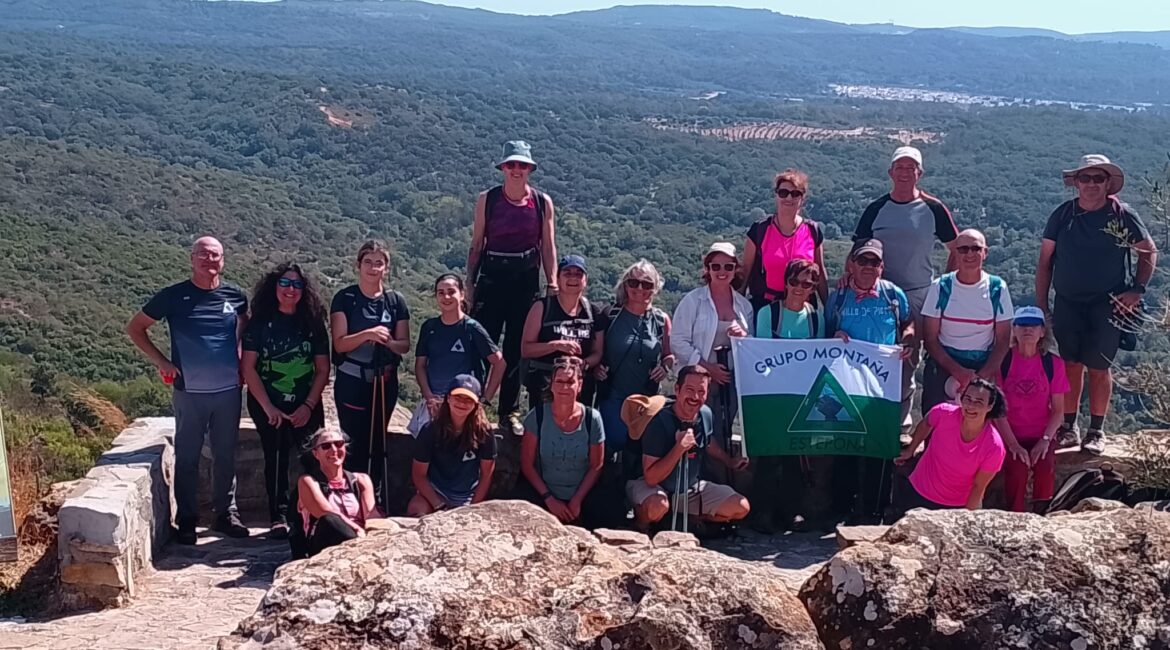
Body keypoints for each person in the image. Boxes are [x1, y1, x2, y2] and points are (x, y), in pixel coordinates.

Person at [126, 236, 249, 544]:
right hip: (189, 391)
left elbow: (245, 325)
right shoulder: (173, 296)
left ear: (223, 260)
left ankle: (226, 515)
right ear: (192, 259)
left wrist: (240, 356)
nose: (210, 260)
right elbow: (135, 328)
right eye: (203, 255)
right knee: (187, 457)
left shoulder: (235, 296)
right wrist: (161, 361)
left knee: (225, 455)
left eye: (215, 255)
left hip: (228, 390)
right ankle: (187, 520)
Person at [1036, 154, 1157, 455]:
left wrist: (1137, 289)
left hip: (1109, 305)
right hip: (1068, 303)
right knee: (1070, 365)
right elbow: (1045, 263)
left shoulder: (1122, 215)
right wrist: (1042, 307)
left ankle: (1096, 430)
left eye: (1098, 178)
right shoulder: (1063, 215)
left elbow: (1148, 251)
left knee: (1100, 367)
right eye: (1085, 178)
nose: (1091, 184)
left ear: (1107, 183)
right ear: (1076, 182)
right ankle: (1069, 427)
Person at [853, 146, 960, 427]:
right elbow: (857, 251)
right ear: (890, 172)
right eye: (899, 167)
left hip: (917, 295)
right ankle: (870, 420)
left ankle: (901, 424)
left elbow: (957, 248)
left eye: (910, 168)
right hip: (878, 295)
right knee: (874, 358)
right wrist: (849, 283)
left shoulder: (934, 209)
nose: (904, 173)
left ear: (919, 173)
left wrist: (945, 284)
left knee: (908, 360)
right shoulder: (876, 209)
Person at [467, 140, 558, 435]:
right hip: (492, 276)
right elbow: (477, 244)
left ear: (530, 169)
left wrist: (553, 282)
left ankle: (509, 412)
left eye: (522, 165)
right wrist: (469, 283)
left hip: (525, 279)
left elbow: (548, 246)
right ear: (503, 168)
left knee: (517, 349)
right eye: (511, 164)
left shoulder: (542, 203)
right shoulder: (488, 199)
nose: (516, 170)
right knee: (484, 344)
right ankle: (473, 405)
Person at [825, 239, 914, 523]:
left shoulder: (893, 294)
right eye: (862, 261)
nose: (867, 266)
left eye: (873, 262)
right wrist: (834, 336)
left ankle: (874, 510)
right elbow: (825, 332)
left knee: (879, 446)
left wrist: (908, 339)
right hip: (846, 382)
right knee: (845, 445)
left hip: (882, 383)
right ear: (851, 264)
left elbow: (908, 322)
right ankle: (841, 508)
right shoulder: (838, 297)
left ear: (881, 267)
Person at [241, 262, 330, 539]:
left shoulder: (312, 323)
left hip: (306, 402)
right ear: (274, 287)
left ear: (304, 290)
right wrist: (269, 407)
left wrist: (308, 406)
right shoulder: (260, 322)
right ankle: (278, 518)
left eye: (296, 284)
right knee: (276, 458)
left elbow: (323, 369)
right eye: (285, 283)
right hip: (267, 402)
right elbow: (248, 368)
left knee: (314, 458)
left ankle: (317, 513)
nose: (290, 289)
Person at [330, 240, 410, 507]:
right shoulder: (345, 298)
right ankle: (351, 500)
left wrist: (387, 342)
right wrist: (368, 335)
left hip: (384, 380)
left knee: (378, 442)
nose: (373, 268)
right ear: (358, 265)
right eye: (368, 262)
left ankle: (374, 501)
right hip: (352, 381)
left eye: (379, 263)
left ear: (386, 267)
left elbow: (404, 345)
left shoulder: (395, 301)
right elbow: (340, 344)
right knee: (352, 443)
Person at [626, 365, 750, 531]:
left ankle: (683, 518)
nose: (695, 397)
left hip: (689, 488)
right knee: (657, 506)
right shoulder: (658, 421)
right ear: (677, 390)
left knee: (740, 506)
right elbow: (651, 478)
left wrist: (729, 461)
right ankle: (641, 527)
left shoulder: (705, 414)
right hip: (652, 488)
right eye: (690, 390)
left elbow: (708, 442)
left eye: (701, 391)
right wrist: (679, 448)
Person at [671, 243, 753, 463]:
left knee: (722, 431)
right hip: (697, 381)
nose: (722, 271)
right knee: (697, 430)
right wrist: (707, 368)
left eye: (728, 266)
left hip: (730, 382)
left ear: (735, 269)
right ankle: (695, 475)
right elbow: (677, 340)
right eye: (716, 266)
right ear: (707, 269)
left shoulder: (744, 307)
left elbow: (753, 349)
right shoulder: (693, 301)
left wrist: (744, 336)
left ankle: (720, 477)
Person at [920, 229, 1014, 415]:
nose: (969, 254)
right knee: (934, 420)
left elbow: (1003, 340)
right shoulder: (940, 287)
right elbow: (930, 339)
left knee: (980, 422)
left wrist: (982, 377)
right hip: (944, 362)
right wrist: (959, 372)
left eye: (975, 248)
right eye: (963, 249)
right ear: (955, 252)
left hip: (983, 365)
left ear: (985, 252)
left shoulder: (997, 288)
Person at [994, 306, 1070, 513]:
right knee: (1017, 470)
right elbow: (997, 411)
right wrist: (1013, 444)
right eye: (1022, 324)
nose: (1028, 329)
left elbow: (1058, 410)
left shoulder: (1053, 364)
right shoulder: (1002, 362)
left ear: (1043, 332)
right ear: (1014, 330)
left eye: (1034, 325)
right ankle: (1015, 517)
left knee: (1045, 466)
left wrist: (1045, 440)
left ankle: (1042, 515)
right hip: (1010, 433)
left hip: (1040, 432)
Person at [595, 259, 674, 454]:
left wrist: (665, 367)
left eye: (646, 284)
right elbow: (595, 352)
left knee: (642, 449)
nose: (639, 288)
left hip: (647, 398)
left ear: (655, 288)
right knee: (615, 441)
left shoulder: (661, 320)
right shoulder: (610, 315)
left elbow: (669, 355)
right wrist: (596, 368)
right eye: (633, 282)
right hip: (613, 395)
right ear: (625, 285)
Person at [517, 357, 607, 527]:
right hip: (544, 493)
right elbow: (527, 465)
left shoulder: (592, 418)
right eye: (559, 381)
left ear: (579, 385)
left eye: (570, 382)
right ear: (551, 384)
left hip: (581, 494)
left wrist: (577, 500)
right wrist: (549, 499)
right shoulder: (537, 417)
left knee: (609, 511)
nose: (564, 387)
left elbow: (596, 465)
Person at [411, 274, 504, 435]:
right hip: (434, 405)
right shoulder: (429, 327)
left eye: (451, 292)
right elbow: (420, 366)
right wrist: (429, 397)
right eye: (441, 292)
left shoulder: (471, 328)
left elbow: (500, 363)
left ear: (462, 294)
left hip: (463, 404)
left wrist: (484, 401)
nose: (446, 297)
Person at [895, 377, 1006, 511]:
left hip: (954, 507)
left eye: (978, 402)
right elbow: (926, 423)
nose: (970, 406)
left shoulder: (994, 447)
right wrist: (910, 450)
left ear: (990, 406)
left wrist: (966, 517)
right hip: (917, 492)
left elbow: (978, 487)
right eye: (967, 399)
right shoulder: (943, 413)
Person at [520, 255, 605, 408]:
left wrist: (584, 363)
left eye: (578, 274)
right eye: (567, 273)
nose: (573, 278)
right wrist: (555, 345)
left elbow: (597, 353)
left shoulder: (593, 313)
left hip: (580, 389)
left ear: (585, 280)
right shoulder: (542, 307)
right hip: (544, 387)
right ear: (558, 279)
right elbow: (526, 349)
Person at [408, 375, 497, 515]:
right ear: (448, 398)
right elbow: (419, 475)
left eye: (468, 399)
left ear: (476, 404)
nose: (462, 403)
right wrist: (439, 505)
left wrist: (472, 508)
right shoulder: (430, 430)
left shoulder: (484, 433)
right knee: (416, 509)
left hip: (467, 496)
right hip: (435, 493)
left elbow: (487, 474)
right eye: (458, 397)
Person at [742, 168, 828, 311]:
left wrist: (828, 308)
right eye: (783, 193)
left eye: (795, 194)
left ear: (802, 198)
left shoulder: (813, 231)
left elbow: (820, 274)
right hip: (766, 308)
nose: (789, 198)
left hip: (803, 309)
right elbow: (745, 272)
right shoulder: (760, 230)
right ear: (776, 195)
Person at [295, 428, 377, 557]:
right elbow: (325, 511)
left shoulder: (361, 480)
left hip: (362, 538)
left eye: (339, 444)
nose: (334, 450)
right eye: (326, 446)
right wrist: (356, 530)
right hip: (324, 544)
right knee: (329, 520)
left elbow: (371, 515)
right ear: (316, 454)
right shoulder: (308, 481)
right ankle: (360, 550)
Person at [755, 259, 825, 340]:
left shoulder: (817, 318)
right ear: (786, 284)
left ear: (813, 289)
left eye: (806, 284)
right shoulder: (767, 314)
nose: (799, 288)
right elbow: (763, 347)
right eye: (794, 282)